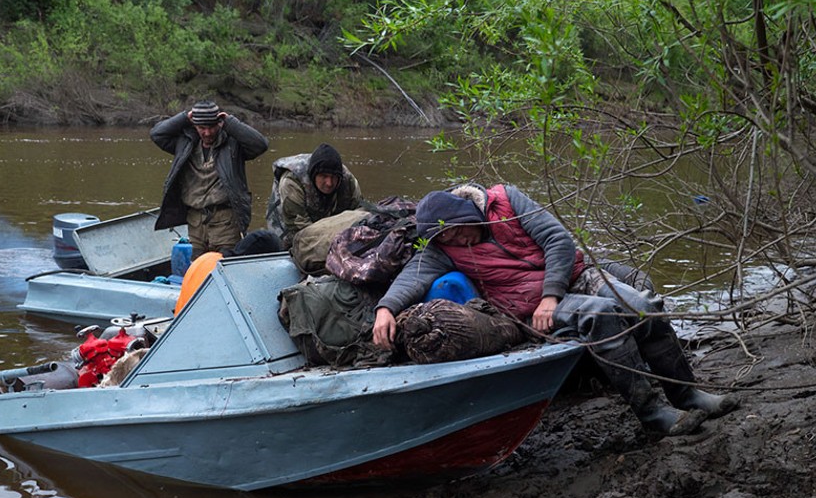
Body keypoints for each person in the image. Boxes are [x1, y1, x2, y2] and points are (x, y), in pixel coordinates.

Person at [372, 183, 740, 437]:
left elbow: (558, 240)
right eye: (444, 239)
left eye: (454, 232)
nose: (454, 241)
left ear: (466, 212)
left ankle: (687, 394)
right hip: (529, 308)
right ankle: (653, 414)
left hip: (571, 278)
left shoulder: (506, 201)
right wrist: (386, 309)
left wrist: (552, 291)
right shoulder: (442, 248)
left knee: (643, 306)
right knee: (604, 316)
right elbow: (411, 278)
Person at [150, 100, 269, 259]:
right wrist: (184, 117)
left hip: (225, 220)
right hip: (195, 220)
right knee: (198, 266)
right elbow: (157, 134)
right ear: (194, 125)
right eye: (202, 128)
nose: (207, 133)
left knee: (223, 265)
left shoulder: (233, 143)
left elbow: (260, 144)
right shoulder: (184, 142)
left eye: (211, 127)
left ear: (219, 124)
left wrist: (230, 122)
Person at [266, 142, 364, 248]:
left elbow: (359, 213)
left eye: (333, 177)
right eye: (324, 176)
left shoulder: (348, 181)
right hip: (289, 224)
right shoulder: (292, 182)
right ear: (314, 175)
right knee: (288, 247)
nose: (329, 183)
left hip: (324, 216)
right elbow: (301, 229)